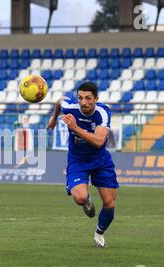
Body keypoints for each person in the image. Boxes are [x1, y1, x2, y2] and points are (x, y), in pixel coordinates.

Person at [47, 82, 119, 248]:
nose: (84, 102)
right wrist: (54, 118)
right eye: (80, 98)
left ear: (96, 99)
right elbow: (60, 101)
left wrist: (75, 127)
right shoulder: (70, 107)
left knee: (109, 204)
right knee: (79, 197)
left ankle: (99, 233)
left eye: (88, 98)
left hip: (100, 160)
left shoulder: (103, 112)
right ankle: (87, 201)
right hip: (78, 160)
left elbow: (99, 141)